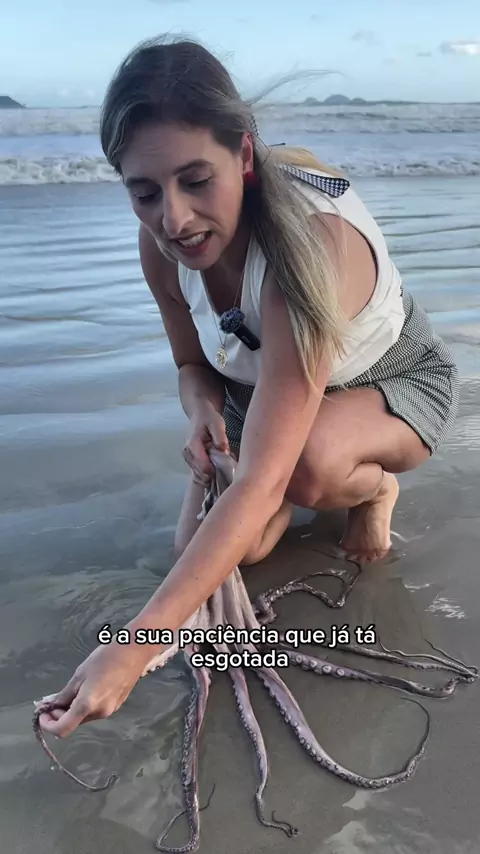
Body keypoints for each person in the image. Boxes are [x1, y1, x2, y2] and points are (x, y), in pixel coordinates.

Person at [37, 36, 459, 738]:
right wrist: (202, 410)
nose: (174, 219)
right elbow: (192, 366)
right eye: (145, 192)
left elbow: (262, 479)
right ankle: (292, 470)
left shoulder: (306, 251)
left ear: (243, 154)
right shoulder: (163, 248)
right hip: (257, 389)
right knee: (214, 553)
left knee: (307, 467)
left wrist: (134, 647)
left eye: (196, 180)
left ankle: (373, 490)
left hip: (386, 379)